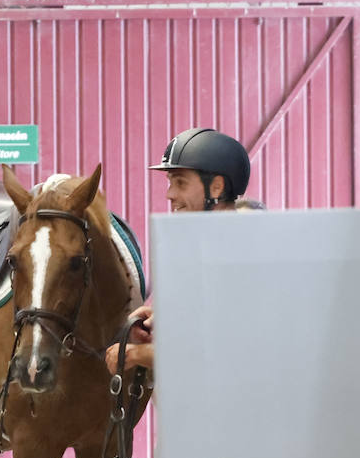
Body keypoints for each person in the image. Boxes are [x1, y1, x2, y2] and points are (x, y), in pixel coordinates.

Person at [105, 127, 256, 376]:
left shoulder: (240, 253)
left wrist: (136, 354)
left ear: (216, 187)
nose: (170, 195)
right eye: (170, 183)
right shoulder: (209, 250)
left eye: (180, 183)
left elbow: (225, 348)